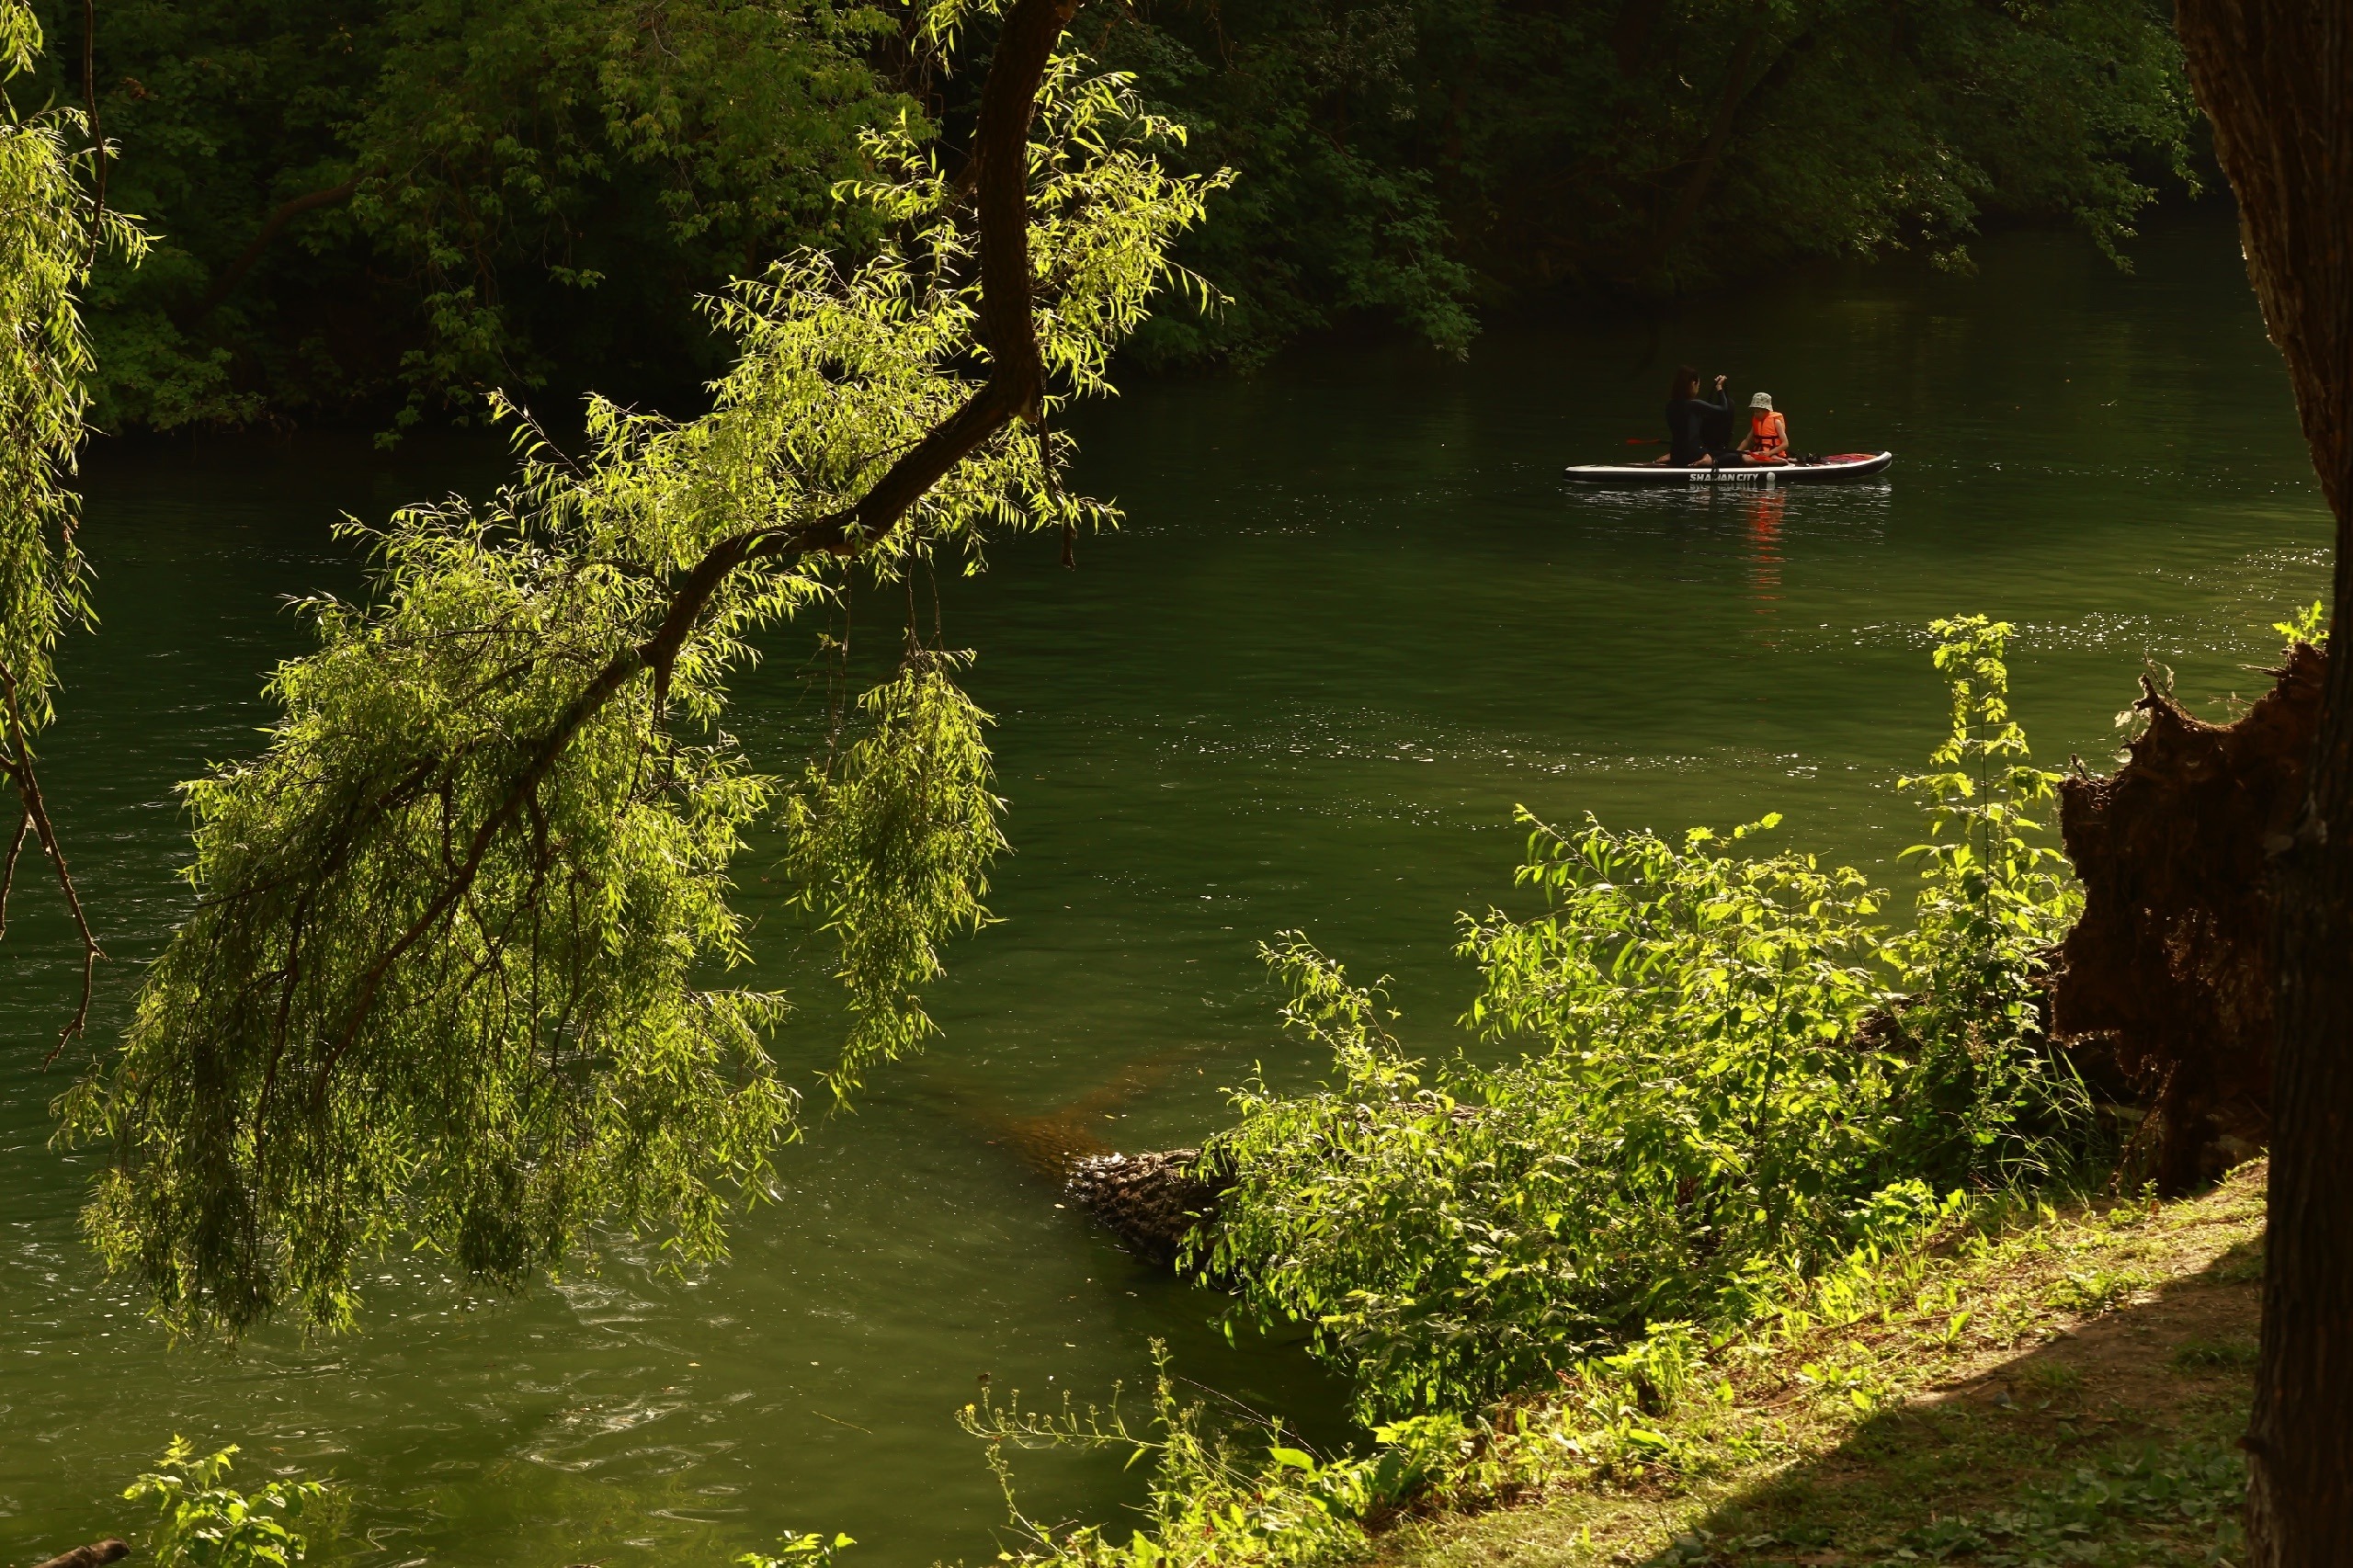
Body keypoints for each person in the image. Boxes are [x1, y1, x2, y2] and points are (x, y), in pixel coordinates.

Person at [1654, 367, 1732, 466]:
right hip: (1694, 455)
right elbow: (1724, 409)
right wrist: (1719, 388)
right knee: (1736, 457)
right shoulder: (1694, 405)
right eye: (1698, 385)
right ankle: (1708, 460)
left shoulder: (1670, 405)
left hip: (1676, 455)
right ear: (1693, 384)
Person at [1738, 392, 1790, 464]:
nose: (1755, 414)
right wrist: (1737, 452)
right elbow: (1747, 440)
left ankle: (1780, 461)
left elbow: (1785, 444)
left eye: (1758, 412)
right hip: (1759, 452)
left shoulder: (1776, 422)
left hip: (1772, 453)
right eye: (1754, 412)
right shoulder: (1756, 422)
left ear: (1767, 410)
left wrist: (1769, 453)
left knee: (1746, 459)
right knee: (1743, 454)